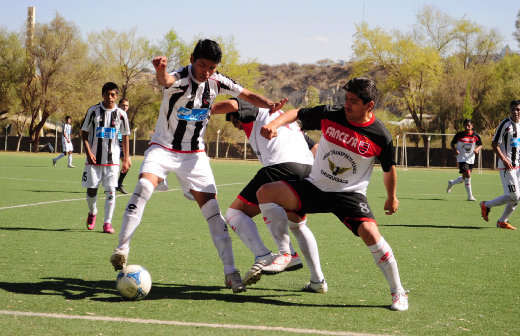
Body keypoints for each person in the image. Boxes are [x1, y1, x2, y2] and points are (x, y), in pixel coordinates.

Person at [109, 39, 286, 294]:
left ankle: (230, 273)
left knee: (214, 214)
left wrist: (269, 104)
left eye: (212, 68)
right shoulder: (181, 77)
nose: (206, 72)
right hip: (164, 148)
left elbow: (245, 94)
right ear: (192, 59)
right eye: (203, 65)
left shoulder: (217, 80)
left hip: (195, 155)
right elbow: (166, 81)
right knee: (143, 187)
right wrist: (160, 70)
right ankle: (122, 248)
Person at [254, 77, 409, 311]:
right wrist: (274, 124)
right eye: (346, 99)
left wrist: (392, 196)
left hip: (348, 194)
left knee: (370, 232)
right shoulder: (331, 113)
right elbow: (297, 112)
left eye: (354, 101)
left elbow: (389, 169)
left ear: (369, 105)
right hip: (315, 187)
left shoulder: (380, 135)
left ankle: (398, 291)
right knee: (265, 192)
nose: (347, 104)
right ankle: (289, 255)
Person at [212, 97, 326, 292]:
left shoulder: (259, 110)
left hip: (281, 166)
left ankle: (272, 254)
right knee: (297, 224)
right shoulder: (288, 122)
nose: (237, 127)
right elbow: (315, 149)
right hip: (308, 170)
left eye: (234, 121)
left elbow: (234, 104)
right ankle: (317, 281)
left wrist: (202, 108)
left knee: (234, 214)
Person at [480, 100, 520, 229]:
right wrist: (504, 159)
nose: (515, 112)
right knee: (514, 195)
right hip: (506, 166)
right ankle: (486, 205)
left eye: (518, 109)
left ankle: (502, 221)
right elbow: (494, 144)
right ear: (510, 110)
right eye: (513, 109)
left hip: (518, 166)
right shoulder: (505, 125)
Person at [81, 82, 131, 234]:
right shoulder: (93, 111)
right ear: (102, 94)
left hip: (113, 160)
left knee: (111, 191)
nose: (110, 97)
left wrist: (126, 158)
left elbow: (125, 135)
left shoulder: (121, 114)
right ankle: (92, 212)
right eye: (107, 94)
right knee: (91, 190)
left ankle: (107, 223)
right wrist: (89, 153)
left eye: (113, 95)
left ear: (116, 96)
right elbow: (83, 133)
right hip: (94, 159)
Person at [446, 119, 483, 201]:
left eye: (469, 125)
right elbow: (452, 143)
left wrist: (477, 149)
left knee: (464, 177)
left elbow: (480, 144)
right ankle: (470, 196)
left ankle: (451, 183)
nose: (467, 127)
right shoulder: (459, 135)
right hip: (461, 157)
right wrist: (454, 150)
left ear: (472, 126)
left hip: (471, 158)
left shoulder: (475, 135)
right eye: (465, 126)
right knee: (468, 174)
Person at [116, 98, 131, 194]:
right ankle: (116, 185)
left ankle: (117, 185)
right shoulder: (116, 114)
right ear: (119, 105)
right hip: (115, 142)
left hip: (122, 143)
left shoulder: (124, 115)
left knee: (128, 164)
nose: (125, 107)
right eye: (123, 105)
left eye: (126, 106)